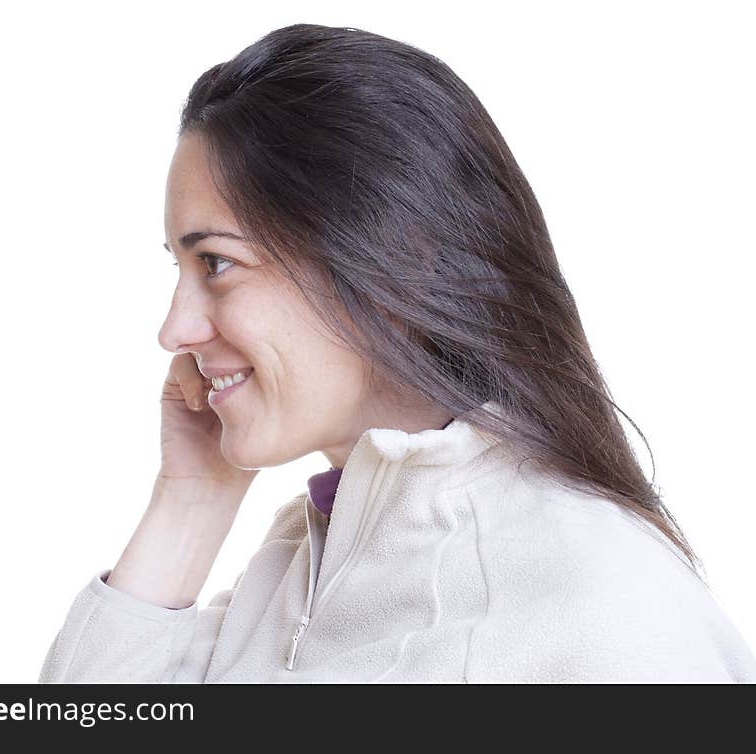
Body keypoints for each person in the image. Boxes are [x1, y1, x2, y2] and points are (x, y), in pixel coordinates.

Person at [38, 24, 756, 683]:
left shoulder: (606, 610)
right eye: (180, 270)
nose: (175, 329)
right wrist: (190, 499)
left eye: (217, 264)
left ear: (390, 257)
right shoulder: (299, 567)